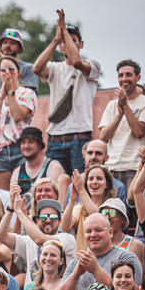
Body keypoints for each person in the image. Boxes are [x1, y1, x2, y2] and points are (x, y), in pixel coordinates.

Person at [33, 12, 101, 175]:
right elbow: (36, 68)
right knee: (52, 187)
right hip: (54, 140)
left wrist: (64, 29)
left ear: (81, 44)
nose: (67, 43)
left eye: (73, 40)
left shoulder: (92, 66)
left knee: (82, 185)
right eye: (65, 41)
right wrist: (57, 39)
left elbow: (77, 62)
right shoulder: (55, 68)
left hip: (80, 139)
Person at [54, 214, 143, 290]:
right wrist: (75, 274)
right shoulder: (76, 262)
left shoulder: (125, 257)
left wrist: (96, 270)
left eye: (98, 230)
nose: (93, 235)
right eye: (88, 231)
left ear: (110, 232)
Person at [98, 60, 145, 190]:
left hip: (136, 167)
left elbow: (139, 131)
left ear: (138, 77)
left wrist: (125, 106)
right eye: (121, 75)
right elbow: (103, 137)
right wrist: (119, 115)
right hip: (112, 168)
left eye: (129, 75)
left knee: (133, 209)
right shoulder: (111, 105)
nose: (124, 79)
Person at [0, 56, 37, 188]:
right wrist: (2, 96)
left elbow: (18, 115)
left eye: (11, 68)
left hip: (21, 148)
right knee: (2, 196)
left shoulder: (27, 93)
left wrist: (10, 93)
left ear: (18, 72)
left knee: (23, 192)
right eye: (3, 69)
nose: (7, 72)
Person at [0, 28, 40, 104]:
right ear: (0, 46)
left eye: (12, 43)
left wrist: (8, 64)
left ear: (20, 48)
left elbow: (29, 98)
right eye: (5, 42)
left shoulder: (29, 69)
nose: (8, 45)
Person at [9, 127, 67, 197]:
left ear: (39, 145)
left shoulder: (53, 167)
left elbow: (56, 199)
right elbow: (12, 201)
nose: (26, 146)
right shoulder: (17, 172)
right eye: (23, 142)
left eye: (31, 142)